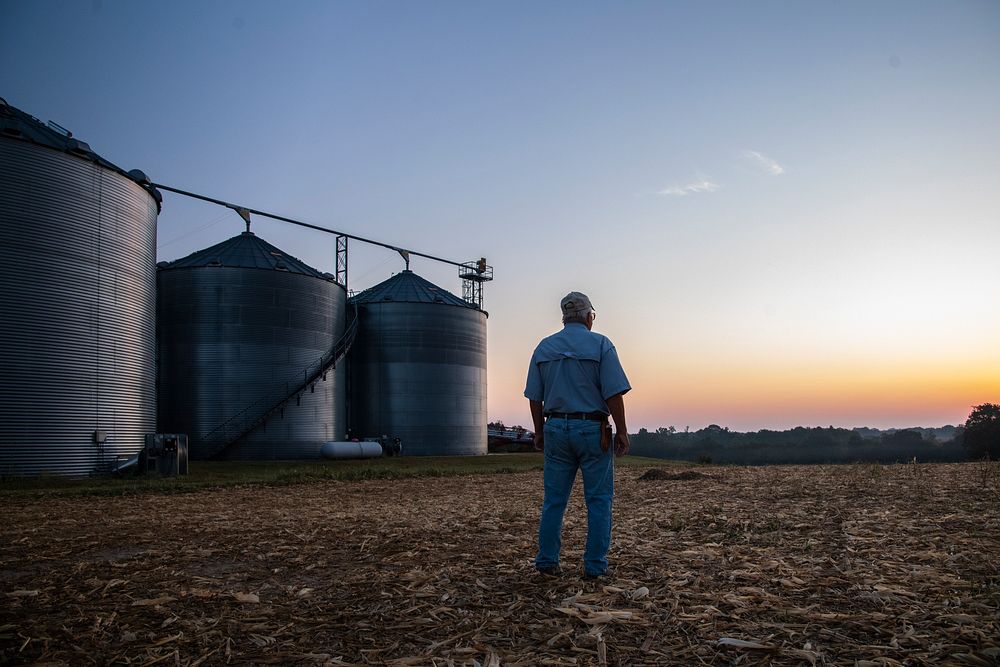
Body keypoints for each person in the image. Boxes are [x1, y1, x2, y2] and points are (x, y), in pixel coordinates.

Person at [524, 292, 631, 579]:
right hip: (592, 429)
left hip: (555, 427)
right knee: (598, 500)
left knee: (554, 500)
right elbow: (613, 393)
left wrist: (538, 431)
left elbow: (534, 397)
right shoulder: (601, 345)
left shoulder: (544, 348)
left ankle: (547, 561)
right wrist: (621, 430)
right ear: (589, 317)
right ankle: (595, 567)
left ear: (564, 317)